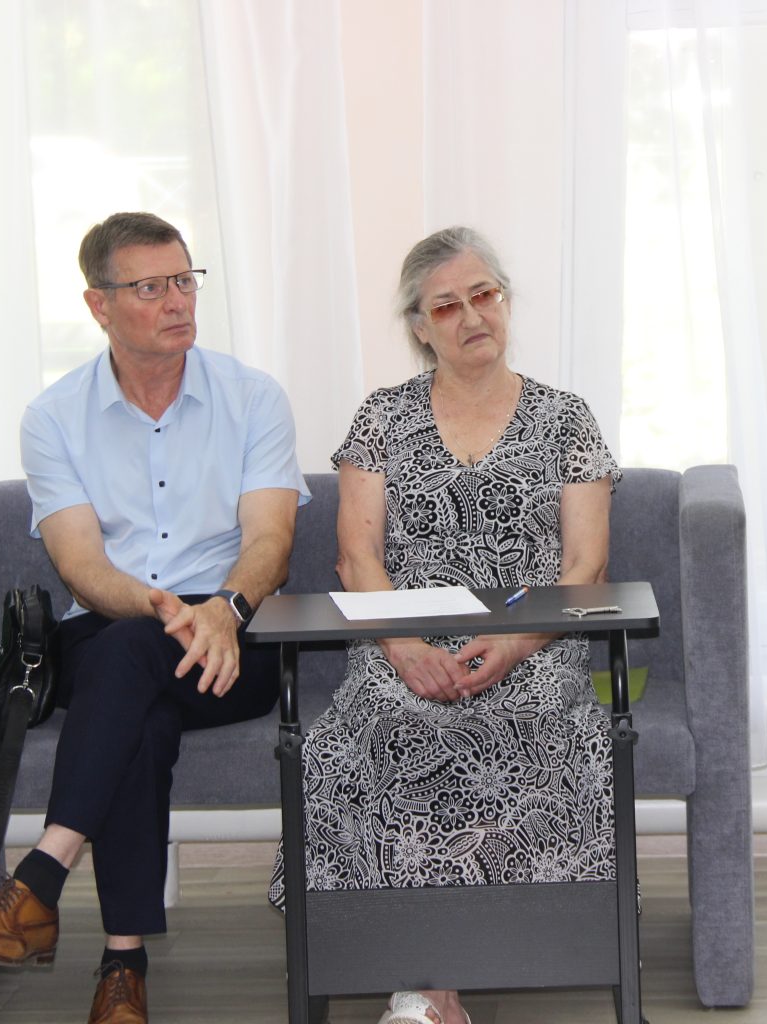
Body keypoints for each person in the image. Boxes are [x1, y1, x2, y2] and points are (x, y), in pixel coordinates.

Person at [0, 212, 310, 1023]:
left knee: (127, 673)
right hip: (114, 623)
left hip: (236, 639)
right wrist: (164, 606)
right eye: (149, 287)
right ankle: (119, 966)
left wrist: (223, 609)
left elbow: (270, 541)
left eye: (184, 280)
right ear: (99, 305)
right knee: (135, 681)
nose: (177, 301)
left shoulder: (252, 397)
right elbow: (82, 567)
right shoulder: (54, 416)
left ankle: (45, 891)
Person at [269, 226, 621, 1024]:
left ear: (505, 301)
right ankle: (430, 986)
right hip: (402, 642)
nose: (471, 316)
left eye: (483, 294)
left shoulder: (566, 419)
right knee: (390, 728)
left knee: (524, 724)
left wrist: (517, 641)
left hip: (534, 641)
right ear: (419, 327)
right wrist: (402, 647)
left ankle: (441, 976)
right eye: (446, 305)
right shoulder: (381, 418)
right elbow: (357, 558)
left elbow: (584, 568)